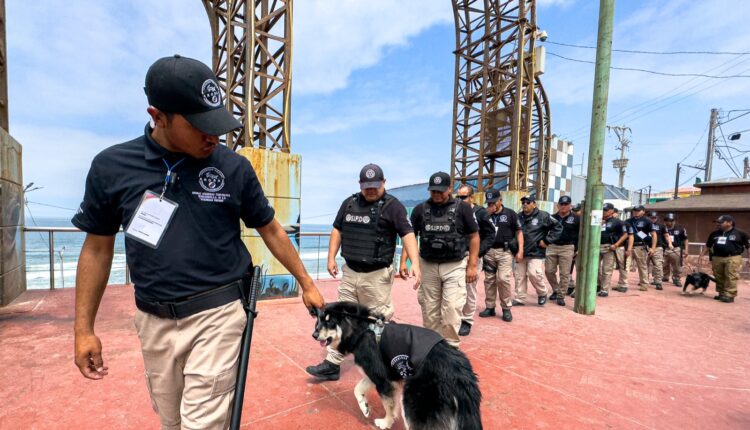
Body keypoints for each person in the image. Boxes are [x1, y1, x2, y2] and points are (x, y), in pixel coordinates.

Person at [72, 55, 325, 429]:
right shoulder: (111, 167)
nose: (214, 136)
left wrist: (306, 282)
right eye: (200, 126)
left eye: (217, 124)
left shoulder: (233, 167)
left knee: (201, 424)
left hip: (219, 314)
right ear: (158, 116)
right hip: (152, 319)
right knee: (171, 421)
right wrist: (83, 330)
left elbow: (270, 227)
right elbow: (97, 247)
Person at [306, 163, 421, 380]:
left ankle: (384, 363)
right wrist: (331, 257)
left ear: (384, 183)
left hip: (377, 276)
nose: (371, 190)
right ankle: (332, 364)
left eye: (375, 186)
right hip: (350, 272)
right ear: (360, 185)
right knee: (341, 317)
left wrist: (415, 262)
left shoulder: (393, 207)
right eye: (367, 186)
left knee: (376, 320)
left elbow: (407, 234)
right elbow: (337, 230)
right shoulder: (349, 204)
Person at [404, 172, 479, 348]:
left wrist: (472, 266)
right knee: (430, 311)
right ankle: (432, 347)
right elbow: (410, 236)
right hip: (428, 266)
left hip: (454, 265)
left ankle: (451, 347)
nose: (436, 194)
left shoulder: (463, 208)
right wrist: (404, 262)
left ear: (450, 189)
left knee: (451, 308)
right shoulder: (420, 210)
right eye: (433, 191)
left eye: (441, 191)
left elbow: (474, 236)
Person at [478, 189, 523, 322]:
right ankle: (490, 307)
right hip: (489, 252)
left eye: (493, 202)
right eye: (489, 202)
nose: (491, 205)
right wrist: (486, 216)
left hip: (505, 252)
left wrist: (520, 251)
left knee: (503, 279)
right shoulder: (484, 214)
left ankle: (506, 308)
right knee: (489, 280)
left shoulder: (510, 214)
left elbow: (519, 232)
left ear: (500, 200)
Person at [456, 185, 495, 336]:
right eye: (458, 197)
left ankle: (466, 320)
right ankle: (456, 317)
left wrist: (477, 253)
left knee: (469, 288)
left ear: (472, 197)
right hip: (456, 256)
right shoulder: (456, 211)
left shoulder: (480, 213)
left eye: (463, 197)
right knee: (455, 288)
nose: (460, 200)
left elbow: (490, 235)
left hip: (472, 256)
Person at [514, 195, 563, 306]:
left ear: (534, 204)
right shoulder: (518, 217)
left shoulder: (543, 216)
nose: (525, 204)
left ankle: (542, 293)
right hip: (521, 251)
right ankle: (520, 298)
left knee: (534, 274)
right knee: (519, 276)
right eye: (523, 202)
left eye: (528, 202)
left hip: (536, 251)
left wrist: (547, 240)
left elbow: (558, 227)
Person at [698, 215, 750, 303]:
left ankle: (729, 295)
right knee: (718, 276)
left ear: (729, 223)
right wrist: (701, 255)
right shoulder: (714, 234)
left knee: (731, 276)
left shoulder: (741, 233)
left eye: (720, 222)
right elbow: (708, 245)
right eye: (717, 222)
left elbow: (748, 246)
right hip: (717, 258)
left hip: (733, 257)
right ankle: (721, 293)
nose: (718, 224)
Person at [544, 195, 579, 306]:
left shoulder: (577, 218)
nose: (563, 206)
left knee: (565, 274)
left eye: (566, 204)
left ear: (570, 205)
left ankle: (560, 295)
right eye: (561, 204)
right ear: (558, 205)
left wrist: (577, 249)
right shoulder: (551, 217)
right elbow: (544, 231)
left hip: (567, 247)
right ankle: (556, 289)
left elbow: (580, 235)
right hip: (552, 246)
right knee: (549, 271)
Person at [598, 203, 629, 296]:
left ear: (611, 210)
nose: (604, 212)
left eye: (606, 210)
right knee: (595, 268)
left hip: (609, 247)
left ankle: (604, 289)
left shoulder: (617, 221)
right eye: (603, 210)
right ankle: (598, 285)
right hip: (597, 246)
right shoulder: (599, 220)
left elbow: (625, 235)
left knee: (606, 269)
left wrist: (616, 245)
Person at [626, 205, 658, 291]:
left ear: (643, 211)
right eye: (634, 210)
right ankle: (623, 284)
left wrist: (653, 248)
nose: (636, 212)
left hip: (640, 246)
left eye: (638, 210)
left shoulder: (647, 221)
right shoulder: (628, 221)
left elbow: (654, 235)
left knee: (642, 266)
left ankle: (644, 284)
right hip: (628, 247)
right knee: (625, 266)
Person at [647, 211, 672, 290]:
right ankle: (644, 280)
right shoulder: (644, 224)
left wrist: (670, 243)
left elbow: (666, 235)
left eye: (654, 218)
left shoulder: (661, 225)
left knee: (658, 265)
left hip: (658, 247)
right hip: (645, 247)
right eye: (651, 218)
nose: (653, 219)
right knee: (644, 265)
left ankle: (658, 282)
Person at [663, 213, 688, 287]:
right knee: (664, 264)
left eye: (670, 221)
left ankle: (676, 278)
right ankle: (665, 276)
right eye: (667, 220)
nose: (668, 222)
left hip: (676, 248)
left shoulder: (680, 228)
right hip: (665, 248)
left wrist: (686, 250)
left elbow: (685, 239)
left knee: (677, 265)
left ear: (674, 221)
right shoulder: (663, 228)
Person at [612, 208, 631, 291]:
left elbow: (630, 237)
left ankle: (623, 285)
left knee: (623, 266)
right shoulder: (606, 222)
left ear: (617, 213)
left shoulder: (625, 224)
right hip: (609, 247)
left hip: (620, 247)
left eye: (614, 213)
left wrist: (629, 249)